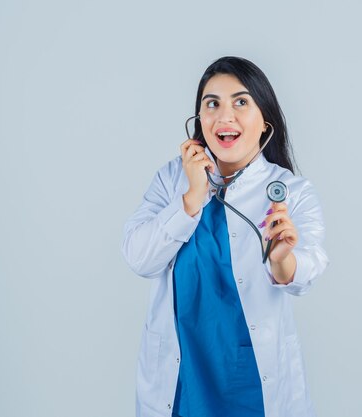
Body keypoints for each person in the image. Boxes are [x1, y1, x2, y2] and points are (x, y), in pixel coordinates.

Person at [122, 56, 329, 417]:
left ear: (265, 122)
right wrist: (190, 198)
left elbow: (307, 272)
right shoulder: (172, 180)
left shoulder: (291, 191)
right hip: (183, 383)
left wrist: (282, 261)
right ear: (199, 119)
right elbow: (139, 257)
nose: (225, 115)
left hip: (252, 383)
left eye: (241, 102)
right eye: (212, 103)